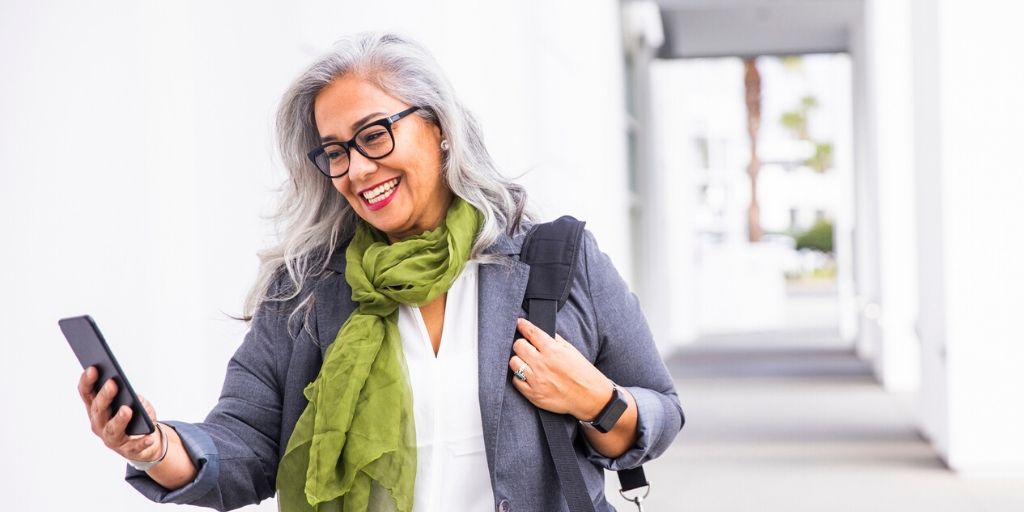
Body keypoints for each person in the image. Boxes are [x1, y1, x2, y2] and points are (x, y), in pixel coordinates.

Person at [77, 32, 683, 512]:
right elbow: (244, 444)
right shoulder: (308, 292)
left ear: (439, 128)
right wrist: (156, 448)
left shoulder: (556, 259)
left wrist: (597, 402)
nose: (357, 169)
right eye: (335, 151)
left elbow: (661, 410)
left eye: (374, 135)